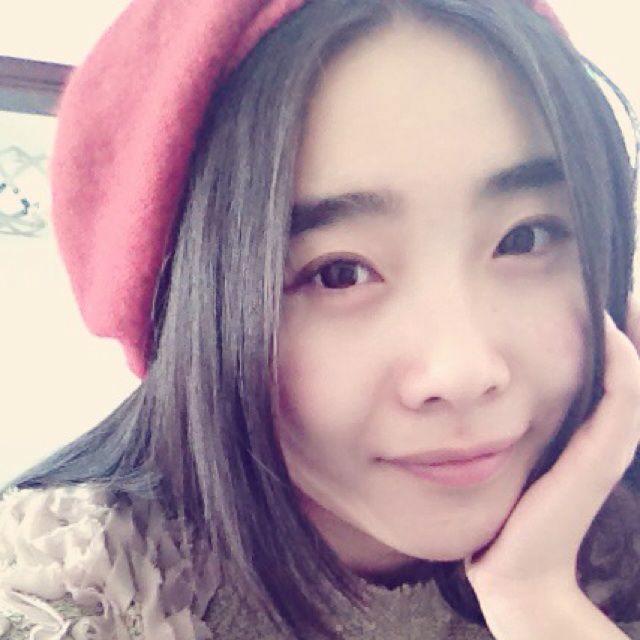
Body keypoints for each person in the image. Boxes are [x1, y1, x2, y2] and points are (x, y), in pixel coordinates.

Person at [0, 0, 639, 638]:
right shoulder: (70, 594)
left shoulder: (617, 543)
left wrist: (538, 602)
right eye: (339, 273)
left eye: (525, 238)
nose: (465, 371)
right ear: (190, 312)